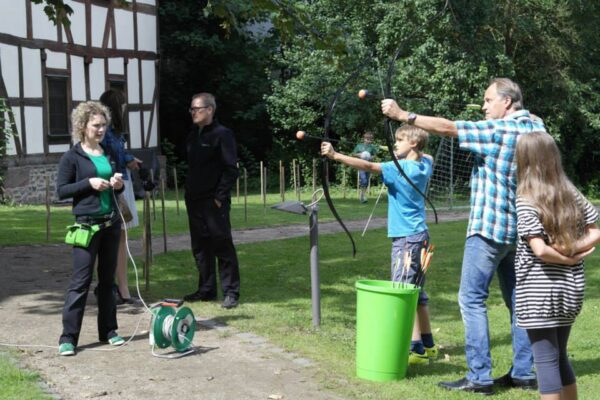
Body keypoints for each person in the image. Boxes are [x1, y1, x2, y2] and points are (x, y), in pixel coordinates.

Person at [382, 77, 544, 395]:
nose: (483, 106)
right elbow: (530, 118)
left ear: (507, 102)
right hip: (521, 231)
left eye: (487, 100)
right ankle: (524, 372)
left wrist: (404, 116)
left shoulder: (498, 131)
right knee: (518, 302)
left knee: (471, 300)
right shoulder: (537, 128)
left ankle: (479, 377)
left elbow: (448, 128)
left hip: (488, 230)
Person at [321, 124, 438, 365]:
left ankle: (414, 348)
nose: (395, 144)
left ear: (413, 144)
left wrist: (335, 155)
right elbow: (428, 155)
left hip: (406, 240)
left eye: (400, 140)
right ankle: (428, 345)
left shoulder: (400, 168)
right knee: (417, 292)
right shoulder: (423, 165)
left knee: (403, 292)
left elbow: (367, 165)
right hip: (421, 236)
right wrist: (409, 149)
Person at [515, 131, 599, 400]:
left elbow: (539, 249)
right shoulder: (571, 192)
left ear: (523, 161)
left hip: (539, 294)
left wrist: (564, 255)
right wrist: (573, 252)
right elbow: (595, 231)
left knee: (545, 362)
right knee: (560, 356)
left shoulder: (526, 199)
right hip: (570, 290)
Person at [56, 101, 126, 356]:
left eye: (104, 125)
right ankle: (68, 338)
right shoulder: (72, 156)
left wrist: (118, 184)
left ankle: (109, 331)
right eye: (96, 125)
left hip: (111, 223)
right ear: (83, 126)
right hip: (87, 225)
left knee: (107, 282)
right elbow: (62, 190)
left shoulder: (107, 152)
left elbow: (118, 185)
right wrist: (88, 183)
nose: (101, 130)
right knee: (80, 282)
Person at [183, 92, 240, 309]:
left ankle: (231, 292)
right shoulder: (192, 135)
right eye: (192, 109)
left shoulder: (222, 135)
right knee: (200, 246)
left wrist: (219, 197)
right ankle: (206, 289)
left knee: (222, 244)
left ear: (209, 109)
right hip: (194, 200)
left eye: (197, 109)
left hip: (213, 201)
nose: (193, 113)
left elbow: (230, 169)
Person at [100, 89, 142, 305]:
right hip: (114, 183)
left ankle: (120, 287)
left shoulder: (114, 131)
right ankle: (118, 288)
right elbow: (113, 153)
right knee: (116, 236)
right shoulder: (105, 131)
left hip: (121, 181)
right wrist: (126, 158)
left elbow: (119, 152)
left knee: (121, 236)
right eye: (123, 105)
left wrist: (129, 157)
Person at [351, 131, 379, 203]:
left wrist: (371, 157)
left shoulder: (372, 147)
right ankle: (362, 195)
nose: (369, 140)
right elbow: (353, 154)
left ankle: (363, 196)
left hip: (368, 165)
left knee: (366, 182)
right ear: (364, 139)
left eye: (370, 139)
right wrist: (360, 155)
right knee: (364, 180)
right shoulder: (359, 146)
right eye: (367, 139)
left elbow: (375, 155)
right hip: (361, 165)